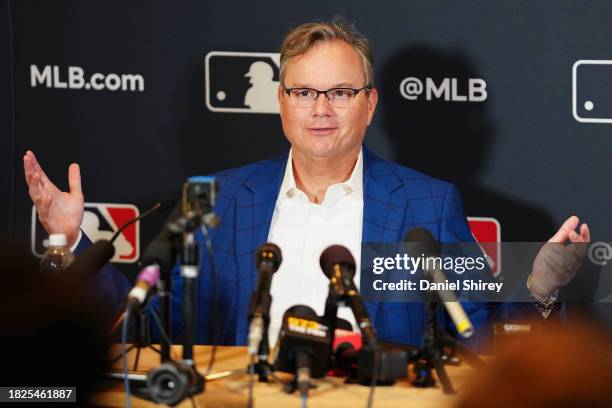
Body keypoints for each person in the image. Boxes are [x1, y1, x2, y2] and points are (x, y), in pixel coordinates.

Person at [23, 20, 590, 350]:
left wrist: (539, 287)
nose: (321, 109)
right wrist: (68, 244)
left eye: (340, 92)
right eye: (303, 92)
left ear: (369, 105)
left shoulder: (427, 203)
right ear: (281, 102)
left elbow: (475, 332)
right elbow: (141, 319)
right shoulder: (216, 197)